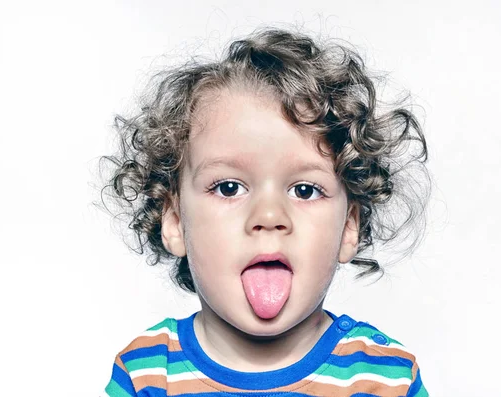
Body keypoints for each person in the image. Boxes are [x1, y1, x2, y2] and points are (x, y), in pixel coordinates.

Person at [101, 27, 430, 397]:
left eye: (304, 190)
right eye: (229, 188)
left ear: (349, 228)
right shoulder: (146, 373)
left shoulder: (384, 379)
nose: (270, 215)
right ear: (174, 221)